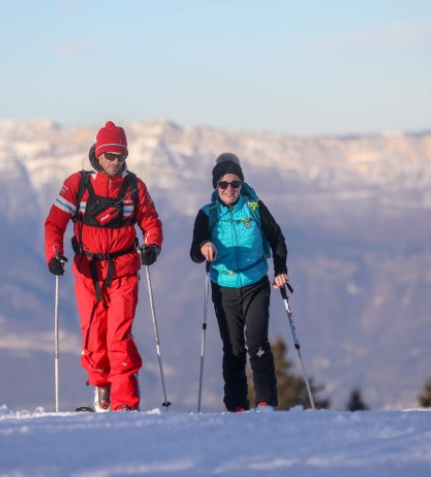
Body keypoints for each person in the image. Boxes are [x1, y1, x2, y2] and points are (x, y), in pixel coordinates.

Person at [45, 121, 163, 412]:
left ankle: (125, 403)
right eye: (110, 155)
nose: (115, 161)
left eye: (120, 156)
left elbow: (150, 221)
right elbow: (55, 223)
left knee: (118, 338)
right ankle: (101, 391)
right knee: (93, 338)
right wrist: (54, 254)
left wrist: (152, 246)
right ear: (97, 154)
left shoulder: (134, 187)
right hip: (88, 274)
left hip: (124, 273)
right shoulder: (78, 185)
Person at [189, 153, 289, 412]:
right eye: (224, 184)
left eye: (236, 184)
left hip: (256, 283)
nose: (230, 189)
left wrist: (280, 269)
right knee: (233, 349)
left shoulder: (255, 208)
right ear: (215, 186)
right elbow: (194, 252)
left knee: (257, 344)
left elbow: (277, 238)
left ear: (242, 184)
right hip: (224, 287)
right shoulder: (207, 214)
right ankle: (236, 407)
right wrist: (205, 245)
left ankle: (266, 403)